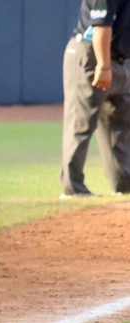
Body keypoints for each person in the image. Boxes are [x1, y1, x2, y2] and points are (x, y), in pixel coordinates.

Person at [60, 0, 130, 198]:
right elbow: (101, 25)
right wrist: (104, 66)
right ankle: (73, 188)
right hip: (93, 55)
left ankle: (124, 183)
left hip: (121, 58)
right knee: (81, 122)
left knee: (121, 122)